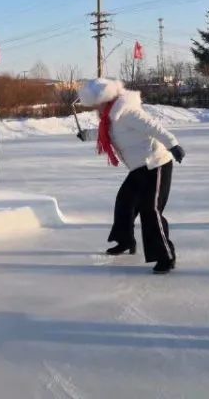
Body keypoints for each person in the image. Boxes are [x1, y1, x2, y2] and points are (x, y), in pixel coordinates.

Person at [76, 78, 185, 274]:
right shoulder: (111, 116)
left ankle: (165, 256)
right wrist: (87, 135)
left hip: (155, 163)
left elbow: (154, 127)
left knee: (150, 210)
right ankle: (125, 241)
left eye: (97, 105)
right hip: (138, 168)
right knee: (125, 202)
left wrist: (173, 145)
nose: (95, 109)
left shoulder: (127, 112)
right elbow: (108, 133)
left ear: (106, 100)